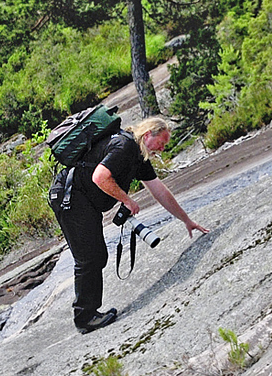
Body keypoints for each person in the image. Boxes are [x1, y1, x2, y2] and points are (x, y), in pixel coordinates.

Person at [49, 116, 209, 334]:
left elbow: (159, 191)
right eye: (161, 143)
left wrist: (186, 220)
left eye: (164, 145)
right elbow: (100, 176)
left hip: (82, 200)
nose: (162, 149)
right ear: (147, 135)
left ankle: (88, 314)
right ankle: (85, 318)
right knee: (90, 257)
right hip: (70, 198)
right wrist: (126, 199)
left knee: (95, 256)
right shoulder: (124, 146)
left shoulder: (138, 157)